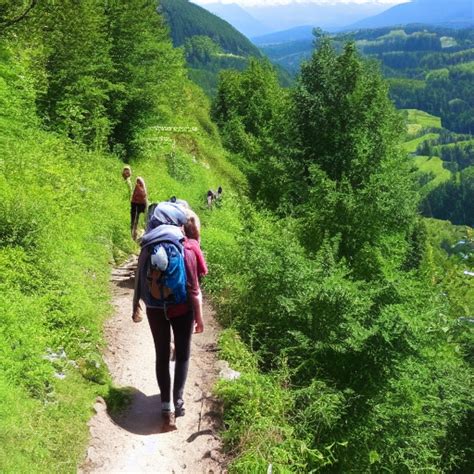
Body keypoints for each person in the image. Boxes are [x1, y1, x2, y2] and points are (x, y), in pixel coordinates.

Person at [132, 202, 205, 428]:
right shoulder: (186, 247)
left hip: (155, 309)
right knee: (182, 354)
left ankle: (166, 409)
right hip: (182, 308)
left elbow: (138, 282)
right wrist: (199, 318)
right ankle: (179, 402)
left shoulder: (147, 245)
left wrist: (136, 305)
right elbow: (194, 288)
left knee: (162, 355)